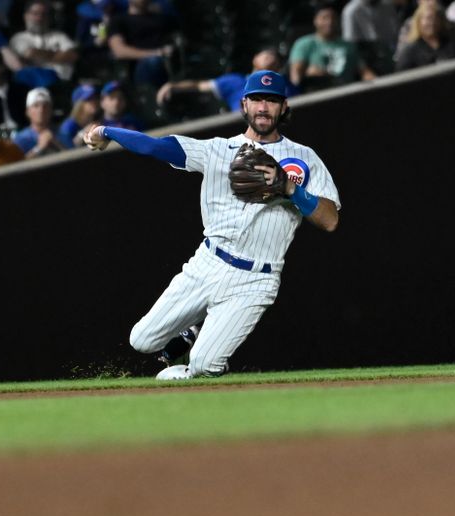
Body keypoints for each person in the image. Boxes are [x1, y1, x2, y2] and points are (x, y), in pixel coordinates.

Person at [83, 70, 341, 379]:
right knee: (141, 340)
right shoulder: (217, 150)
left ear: (284, 107)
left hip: (256, 279)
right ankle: (190, 332)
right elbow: (156, 146)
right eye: (256, 99)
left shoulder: (304, 158)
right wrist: (107, 131)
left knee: (205, 365)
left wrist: (290, 189)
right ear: (244, 104)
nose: (263, 107)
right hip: (207, 263)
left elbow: (329, 220)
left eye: (271, 101)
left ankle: (193, 360)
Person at [156, 49, 284, 114]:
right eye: (266, 54)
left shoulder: (283, 86)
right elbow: (199, 86)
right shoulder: (234, 81)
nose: (270, 57)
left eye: (274, 58)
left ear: (278, 68)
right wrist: (172, 85)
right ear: (255, 59)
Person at [289, 4, 376, 92]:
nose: (329, 22)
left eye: (333, 18)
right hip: (316, 94)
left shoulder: (349, 45)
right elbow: (296, 75)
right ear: (315, 20)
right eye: (324, 18)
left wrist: (375, 84)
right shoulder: (304, 44)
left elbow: (364, 70)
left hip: (345, 93)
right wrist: (307, 77)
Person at [106, 0, 178, 87]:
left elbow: (178, 39)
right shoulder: (119, 21)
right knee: (153, 62)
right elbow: (119, 51)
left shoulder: (164, 19)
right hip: (140, 67)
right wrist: (156, 53)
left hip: (170, 61)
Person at [10, 0, 80, 82]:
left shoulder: (59, 36)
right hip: (31, 84)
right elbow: (30, 53)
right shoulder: (18, 38)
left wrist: (40, 55)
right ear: (26, 16)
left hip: (61, 83)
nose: (39, 18)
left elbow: (73, 55)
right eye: (35, 14)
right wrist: (59, 54)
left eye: (44, 14)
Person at [396, 4, 455, 70]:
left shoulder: (454, 43)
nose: (432, 23)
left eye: (436, 18)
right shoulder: (409, 52)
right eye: (428, 18)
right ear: (419, 22)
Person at [341, 0, 400, 74]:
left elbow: (396, 33)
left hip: (392, 54)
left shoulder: (388, 4)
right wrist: (364, 70)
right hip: (368, 60)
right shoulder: (351, 11)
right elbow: (351, 47)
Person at [13, 87, 64, 158]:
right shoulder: (21, 139)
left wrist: (56, 143)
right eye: (36, 106)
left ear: (51, 110)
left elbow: (73, 159)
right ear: (28, 111)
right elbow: (16, 165)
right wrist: (39, 148)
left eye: (45, 106)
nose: (41, 110)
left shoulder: (62, 133)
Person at [57, 84, 101, 148]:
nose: (94, 101)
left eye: (95, 98)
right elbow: (67, 150)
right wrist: (82, 134)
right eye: (88, 99)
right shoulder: (68, 126)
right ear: (79, 104)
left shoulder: (99, 120)